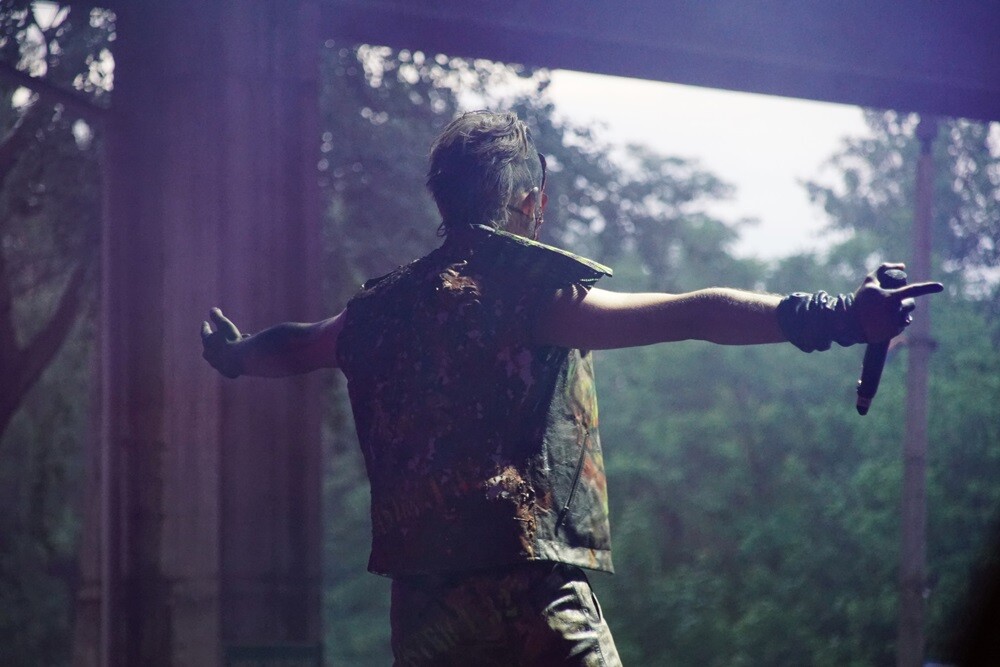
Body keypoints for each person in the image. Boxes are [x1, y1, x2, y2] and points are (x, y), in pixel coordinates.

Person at [202, 110, 942, 666]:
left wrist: (235, 356)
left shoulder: (375, 313)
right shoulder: (532, 296)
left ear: (444, 199)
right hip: (528, 591)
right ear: (531, 203)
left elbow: (296, 344)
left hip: (423, 605)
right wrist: (839, 316)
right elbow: (694, 313)